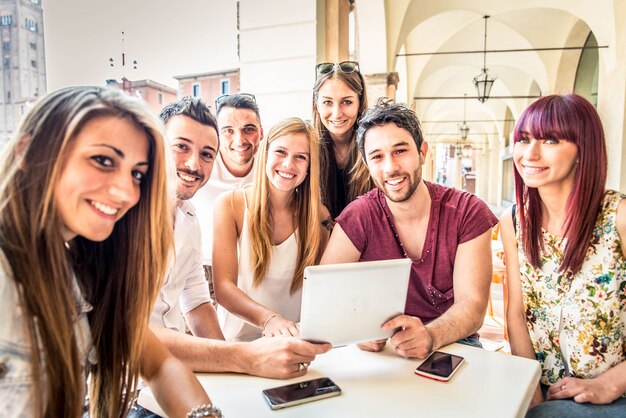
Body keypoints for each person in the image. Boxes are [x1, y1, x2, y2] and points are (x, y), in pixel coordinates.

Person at [0, 86, 216, 417]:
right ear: (29, 154)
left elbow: (160, 365)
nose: (125, 191)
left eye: (136, 174)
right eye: (103, 161)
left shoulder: (82, 266)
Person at [145, 98, 330, 383]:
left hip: (166, 373)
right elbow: (128, 333)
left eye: (207, 154)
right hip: (133, 378)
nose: (194, 163)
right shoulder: (123, 219)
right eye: (181, 146)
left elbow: (196, 302)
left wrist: (231, 368)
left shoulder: (190, 220)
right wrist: (240, 357)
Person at [321, 99, 497, 359]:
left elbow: (473, 306)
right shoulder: (359, 216)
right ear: (367, 164)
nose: (390, 167)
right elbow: (325, 294)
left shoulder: (468, 212)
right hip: (383, 352)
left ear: (422, 152)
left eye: (400, 151)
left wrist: (431, 335)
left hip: (455, 344)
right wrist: (356, 326)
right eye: (377, 157)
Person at [499, 94, 626, 417]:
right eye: (523, 139)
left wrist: (610, 383)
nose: (530, 154)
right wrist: (532, 391)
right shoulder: (515, 220)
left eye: (551, 140)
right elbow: (516, 315)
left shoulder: (618, 216)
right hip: (549, 392)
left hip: (615, 393)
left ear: (584, 150)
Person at [213, 117, 332, 342]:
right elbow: (223, 288)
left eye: (300, 157)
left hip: (295, 341)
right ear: (265, 154)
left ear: (309, 167)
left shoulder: (320, 216)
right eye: (280, 152)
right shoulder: (230, 204)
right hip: (241, 343)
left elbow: (323, 287)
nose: (288, 164)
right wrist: (270, 319)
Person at [190, 93, 263, 297]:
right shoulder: (200, 168)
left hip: (256, 272)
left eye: (248, 129)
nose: (239, 140)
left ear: (261, 132)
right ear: (217, 135)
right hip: (205, 271)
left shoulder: (272, 170)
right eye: (228, 131)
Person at [312, 61, 373, 218]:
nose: (337, 113)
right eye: (327, 102)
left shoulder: (374, 147)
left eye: (347, 102)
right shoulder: (306, 146)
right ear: (316, 105)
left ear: (360, 104)